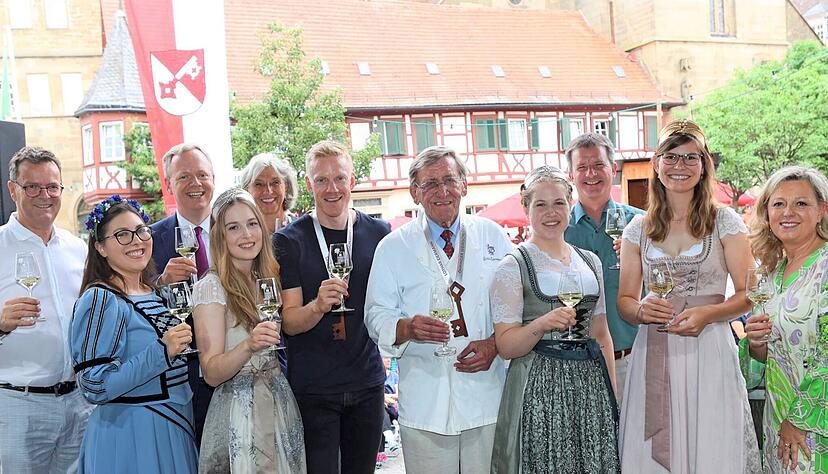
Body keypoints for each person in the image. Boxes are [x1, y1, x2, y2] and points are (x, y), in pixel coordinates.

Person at [616, 119, 760, 473]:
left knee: (711, 446)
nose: (680, 166)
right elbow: (625, 301)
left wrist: (708, 315)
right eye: (672, 156)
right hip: (654, 350)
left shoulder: (724, 221)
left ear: (704, 165)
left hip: (708, 349)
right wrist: (641, 311)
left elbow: (750, 293)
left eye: (690, 158)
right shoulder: (639, 228)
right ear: (656, 162)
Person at [365, 145, 512, 474]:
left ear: (464, 185)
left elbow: (515, 309)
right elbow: (376, 315)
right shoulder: (393, 248)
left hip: (486, 397)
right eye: (430, 184)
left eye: (449, 180)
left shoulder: (494, 237)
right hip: (426, 403)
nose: (442, 191)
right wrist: (406, 328)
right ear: (414, 193)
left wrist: (495, 345)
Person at [490, 166, 619, 473]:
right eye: (541, 204)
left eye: (559, 203)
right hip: (539, 387)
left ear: (570, 204)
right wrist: (541, 324)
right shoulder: (512, 266)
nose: (551, 212)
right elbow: (506, 346)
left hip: (591, 385)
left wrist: (612, 392)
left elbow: (601, 333)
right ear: (526, 208)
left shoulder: (591, 261)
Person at [274, 140, 389, 474]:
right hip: (314, 389)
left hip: (367, 383)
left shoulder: (379, 233)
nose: (332, 188)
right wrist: (317, 306)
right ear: (309, 185)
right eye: (321, 180)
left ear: (352, 181)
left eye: (339, 178)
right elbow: (290, 323)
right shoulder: (289, 240)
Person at [70, 196, 197, 473]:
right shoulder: (101, 299)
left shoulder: (154, 293)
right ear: (100, 247)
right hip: (132, 436)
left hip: (175, 427)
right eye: (122, 235)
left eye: (141, 230)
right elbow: (94, 385)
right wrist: (161, 353)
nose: (137, 241)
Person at [193, 188, 306, 472]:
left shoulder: (266, 279)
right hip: (238, 414)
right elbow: (211, 372)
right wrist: (248, 346)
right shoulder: (211, 287)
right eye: (234, 227)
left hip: (278, 402)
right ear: (220, 236)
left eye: (252, 223)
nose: (246, 235)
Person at [0, 146, 93, 473]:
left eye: (52, 187)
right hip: (17, 408)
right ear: (13, 190)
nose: (45, 195)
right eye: (32, 187)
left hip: (79, 403)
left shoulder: (77, 248)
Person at [741, 165, 828, 473]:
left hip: (813, 428)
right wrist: (755, 343)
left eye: (801, 203)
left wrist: (799, 420)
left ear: (821, 210)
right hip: (777, 419)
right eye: (779, 203)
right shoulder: (771, 275)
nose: (788, 212)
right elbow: (764, 360)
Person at [564, 132, 644, 403]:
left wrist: (644, 259)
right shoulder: (558, 231)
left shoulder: (643, 225)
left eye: (598, 165)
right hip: (579, 365)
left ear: (614, 169)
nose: (591, 174)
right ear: (571, 175)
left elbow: (667, 281)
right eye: (582, 167)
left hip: (636, 359)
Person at [150, 142, 216, 445]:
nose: (196, 184)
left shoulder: (237, 231)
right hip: (176, 381)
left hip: (233, 370)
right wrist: (161, 284)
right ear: (168, 184)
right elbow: (133, 305)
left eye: (202, 174)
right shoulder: (148, 240)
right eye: (184, 177)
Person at [240, 152, 299, 234]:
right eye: (259, 184)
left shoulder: (303, 231)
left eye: (275, 183)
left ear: (286, 186)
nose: (268, 191)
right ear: (247, 190)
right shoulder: (241, 236)